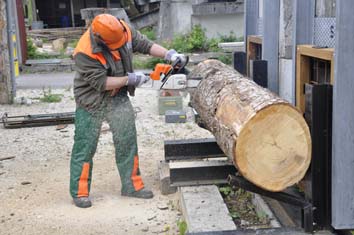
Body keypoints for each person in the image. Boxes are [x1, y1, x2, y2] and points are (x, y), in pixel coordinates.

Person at [70, 13, 186, 208]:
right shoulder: (85, 51)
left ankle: (131, 186)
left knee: (127, 141)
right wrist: (129, 79)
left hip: (118, 97)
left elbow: (145, 44)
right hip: (91, 100)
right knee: (85, 146)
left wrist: (169, 54)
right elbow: (100, 83)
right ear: (101, 39)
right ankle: (80, 192)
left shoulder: (121, 30)